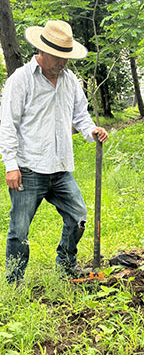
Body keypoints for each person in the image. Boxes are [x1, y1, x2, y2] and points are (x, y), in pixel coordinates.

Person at [0, 20, 109, 282]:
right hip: (28, 169)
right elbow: (8, 124)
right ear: (42, 51)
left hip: (60, 168)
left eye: (66, 57)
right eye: (58, 57)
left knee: (78, 216)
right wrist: (10, 165)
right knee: (20, 229)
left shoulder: (70, 81)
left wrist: (91, 131)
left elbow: (80, 115)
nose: (63, 62)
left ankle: (65, 266)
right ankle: (14, 281)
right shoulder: (21, 80)